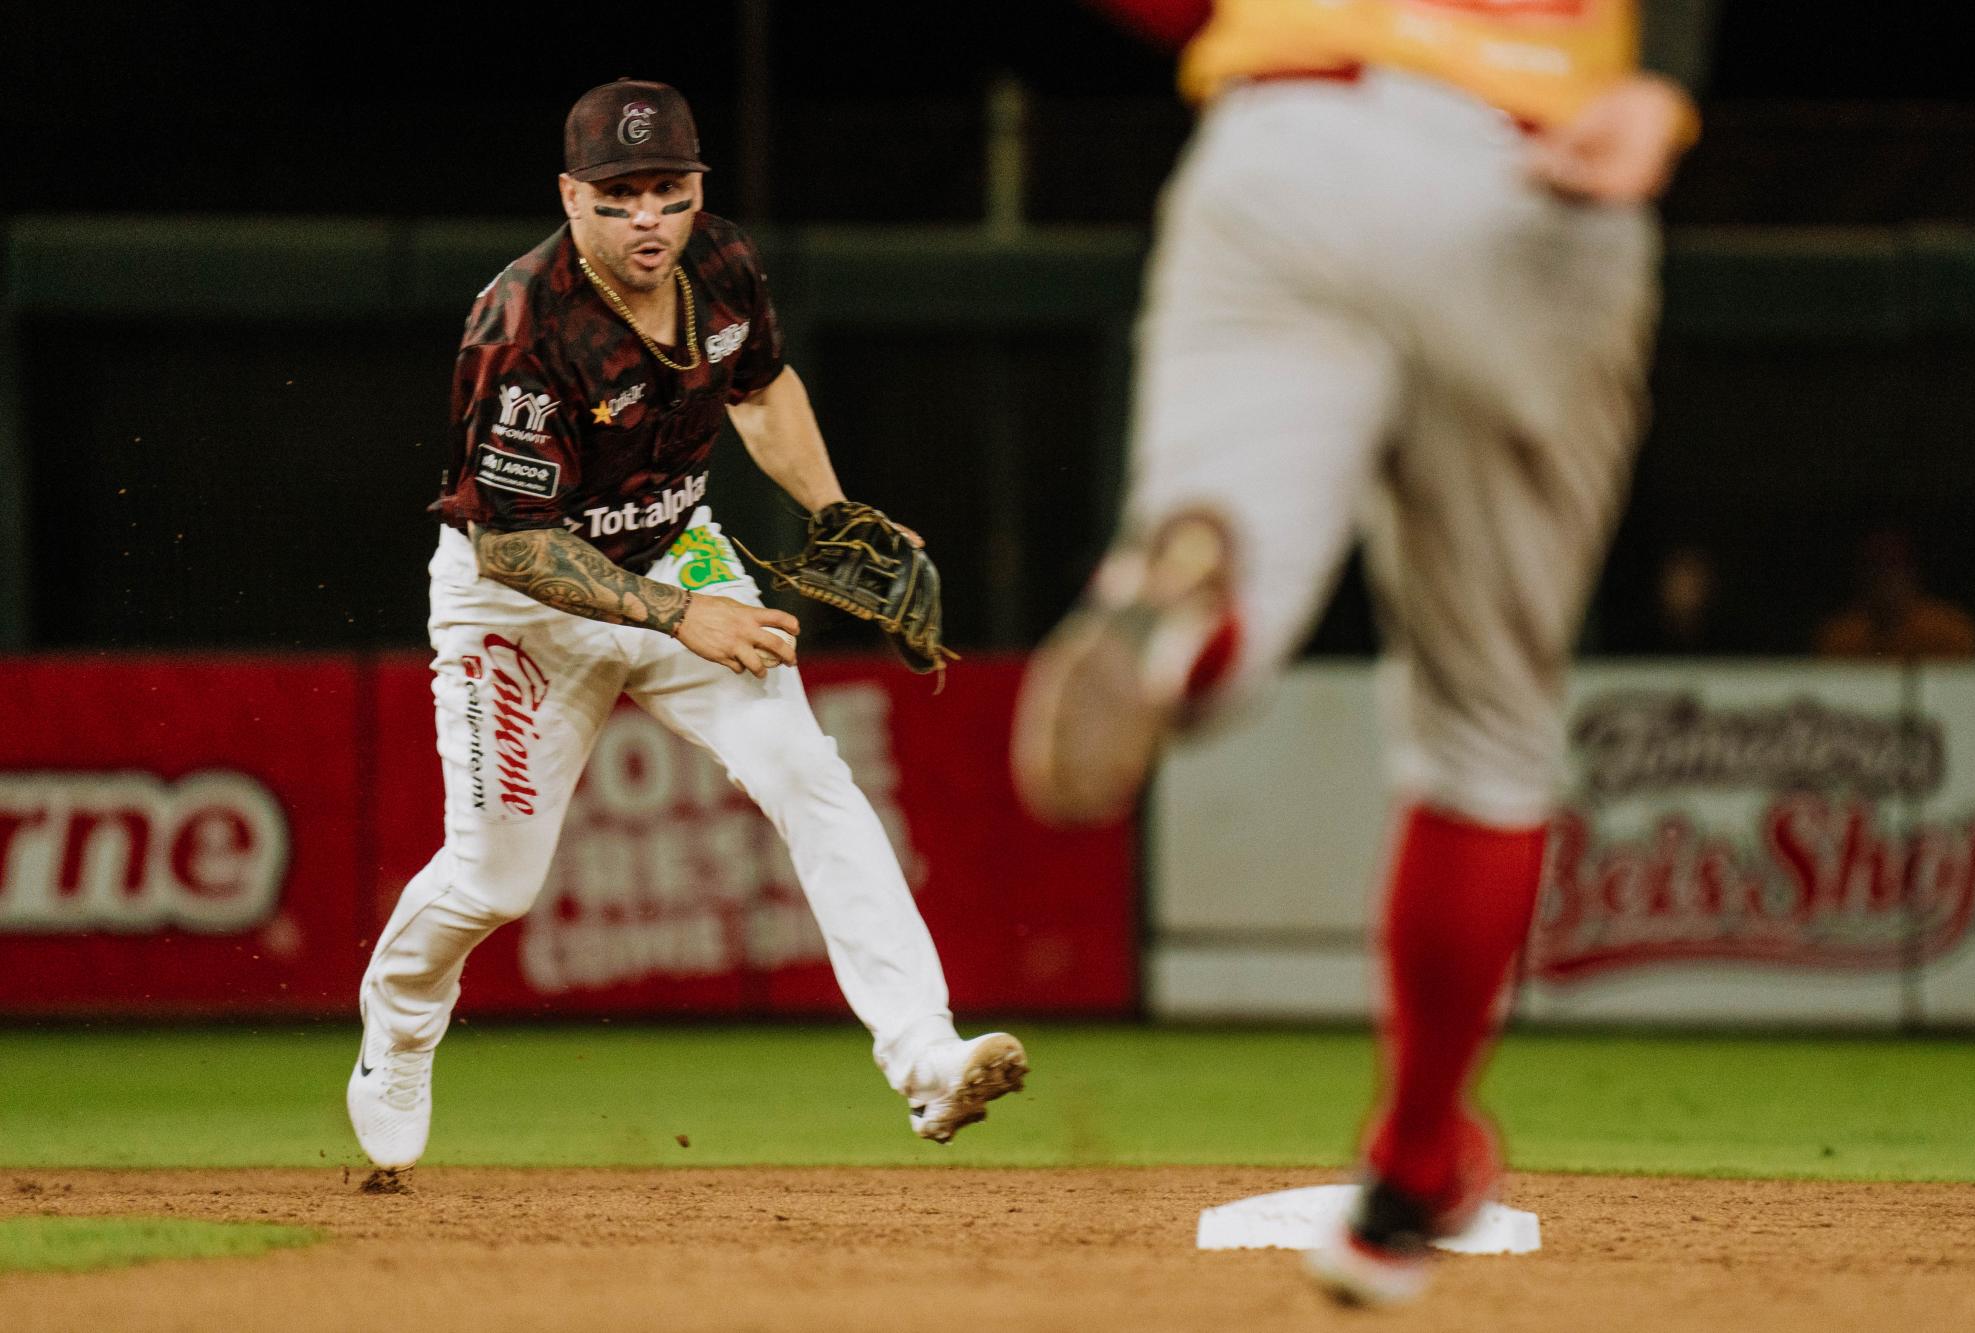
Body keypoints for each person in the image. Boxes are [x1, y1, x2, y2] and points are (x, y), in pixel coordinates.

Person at [1018, 1, 1697, 1306]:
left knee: (1227, 538)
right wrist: (1663, 83)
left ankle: (1188, 625)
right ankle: (1412, 1165)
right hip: (1538, 166)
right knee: (1486, 737)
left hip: (1290, 137)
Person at [348, 79, 1025, 1178]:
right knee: (495, 881)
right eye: (619, 197)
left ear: (696, 189)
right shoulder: (523, 325)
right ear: (571, 198)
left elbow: (759, 390)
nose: (648, 218)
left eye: (668, 189)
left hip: (675, 549)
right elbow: (512, 543)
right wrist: (678, 616)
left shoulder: (721, 264)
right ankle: (402, 1019)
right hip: (518, 605)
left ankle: (925, 1056)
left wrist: (831, 510)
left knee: (808, 772)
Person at [1813, 529, 1975, 660]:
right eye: (1875, 569)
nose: (1885, 580)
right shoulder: (1842, 636)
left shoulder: (1949, 630)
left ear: (1913, 574)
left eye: (1893, 568)